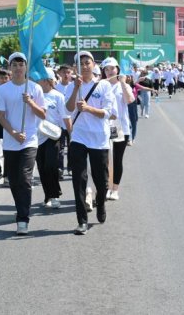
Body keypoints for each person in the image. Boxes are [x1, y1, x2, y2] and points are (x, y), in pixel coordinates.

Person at [0, 52, 46, 235]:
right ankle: (20, 207)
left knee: (24, 179)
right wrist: (14, 133)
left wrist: (30, 102)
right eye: (14, 65)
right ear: (10, 68)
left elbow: (43, 114)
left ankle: (23, 218)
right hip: (11, 142)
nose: (17, 68)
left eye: (20, 64)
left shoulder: (34, 88)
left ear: (26, 67)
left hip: (30, 141)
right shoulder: (3, 90)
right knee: (15, 182)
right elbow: (1, 116)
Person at [65, 51, 115, 235]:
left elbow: (107, 112)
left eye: (88, 62)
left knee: (100, 180)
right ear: (75, 67)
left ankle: (100, 203)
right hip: (79, 137)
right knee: (79, 178)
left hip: (99, 138)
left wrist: (88, 108)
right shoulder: (72, 86)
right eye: (81, 63)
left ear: (94, 65)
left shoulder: (103, 86)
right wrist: (76, 89)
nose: (85, 66)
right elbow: (69, 108)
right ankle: (82, 221)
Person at [101, 57, 135, 201]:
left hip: (121, 128)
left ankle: (115, 189)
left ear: (118, 69)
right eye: (106, 69)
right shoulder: (101, 85)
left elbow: (130, 101)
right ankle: (106, 187)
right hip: (103, 127)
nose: (109, 72)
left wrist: (122, 83)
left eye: (112, 68)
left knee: (116, 159)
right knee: (104, 160)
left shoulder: (123, 85)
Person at [38, 67, 67, 209]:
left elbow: (63, 116)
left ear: (48, 81)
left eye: (41, 79)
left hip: (53, 135)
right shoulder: (35, 95)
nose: (38, 82)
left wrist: (66, 133)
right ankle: (47, 195)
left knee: (51, 166)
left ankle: (55, 195)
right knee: (42, 167)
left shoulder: (58, 96)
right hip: (37, 136)